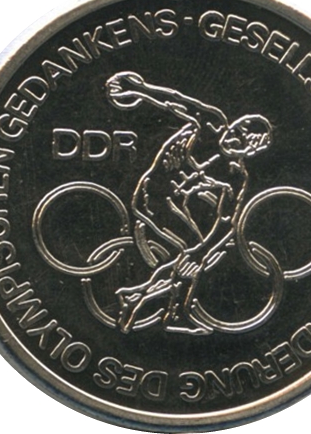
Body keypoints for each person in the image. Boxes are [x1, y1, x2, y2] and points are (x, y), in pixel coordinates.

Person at [106, 71, 273, 334]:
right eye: (237, 130)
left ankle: (137, 297)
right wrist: (138, 88)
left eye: (243, 141)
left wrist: (201, 253)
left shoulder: (234, 175)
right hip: (153, 194)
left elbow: (226, 222)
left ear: (250, 151)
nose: (233, 138)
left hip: (175, 202)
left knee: (195, 256)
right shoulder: (212, 124)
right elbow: (176, 101)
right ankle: (170, 313)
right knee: (191, 253)